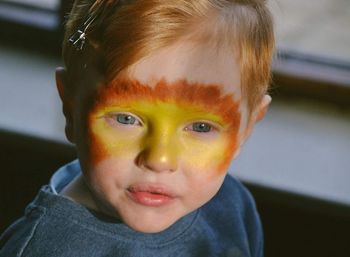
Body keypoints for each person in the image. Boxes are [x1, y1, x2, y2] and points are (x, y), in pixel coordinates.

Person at [0, 0, 274, 256]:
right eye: (126, 119)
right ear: (70, 108)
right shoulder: (45, 248)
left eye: (201, 126)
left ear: (246, 129)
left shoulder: (232, 206)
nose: (159, 159)